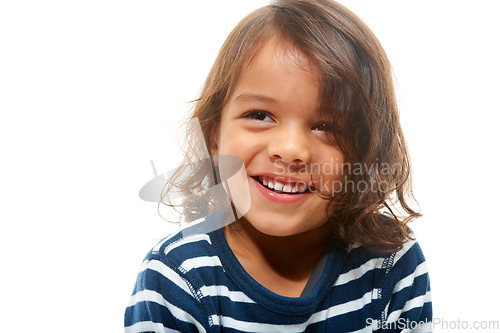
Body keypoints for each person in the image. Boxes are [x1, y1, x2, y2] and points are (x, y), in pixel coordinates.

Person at [125, 0, 432, 332]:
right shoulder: (177, 276)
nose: (290, 150)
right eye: (260, 115)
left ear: (366, 152)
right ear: (213, 135)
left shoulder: (390, 262)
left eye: (326, 126)